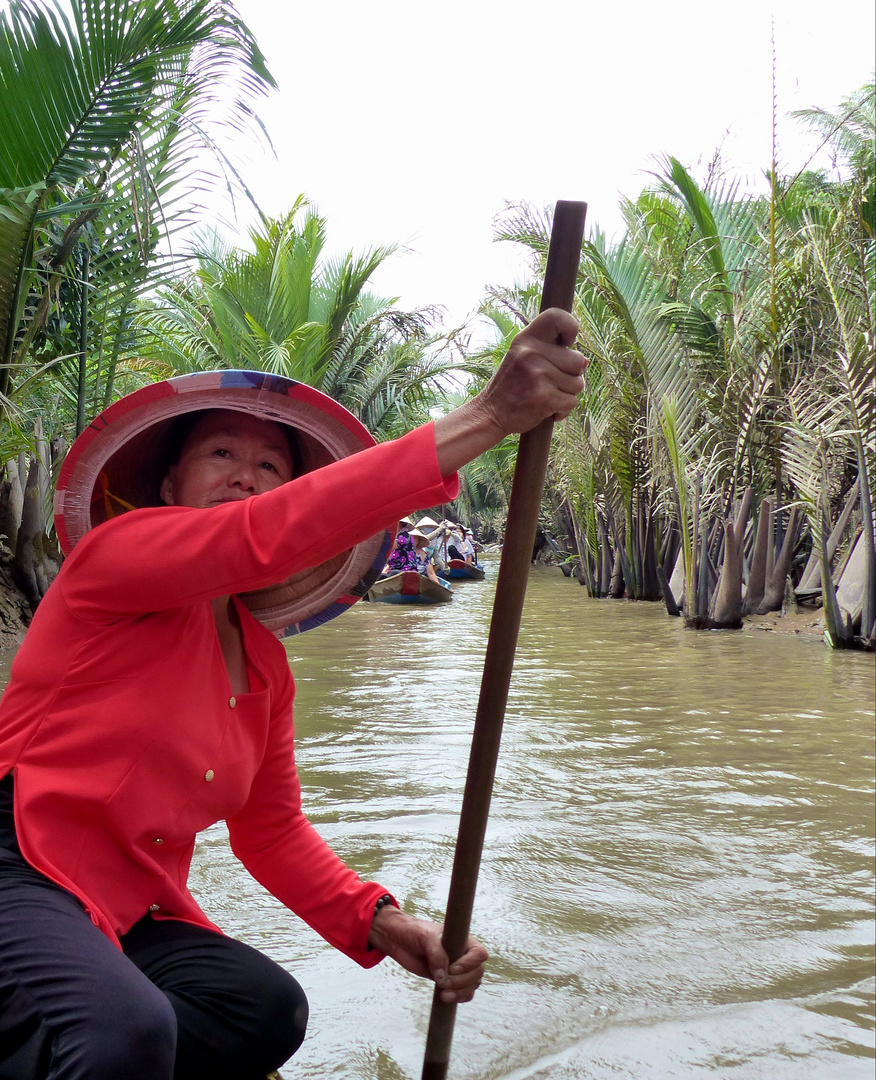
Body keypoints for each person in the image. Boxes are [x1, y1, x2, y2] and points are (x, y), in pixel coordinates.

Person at [0, 308, 584, 1079]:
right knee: (125, 1031)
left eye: (271, 467)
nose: (246, 475)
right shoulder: (117, 561)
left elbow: (270, 832)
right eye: (219, 453)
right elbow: (257, 534)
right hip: (21, 871)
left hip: (124, 908)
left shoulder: (264, 668)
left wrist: (381, 923)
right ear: (169, 483)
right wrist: (487, 417)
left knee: (265, 1008)